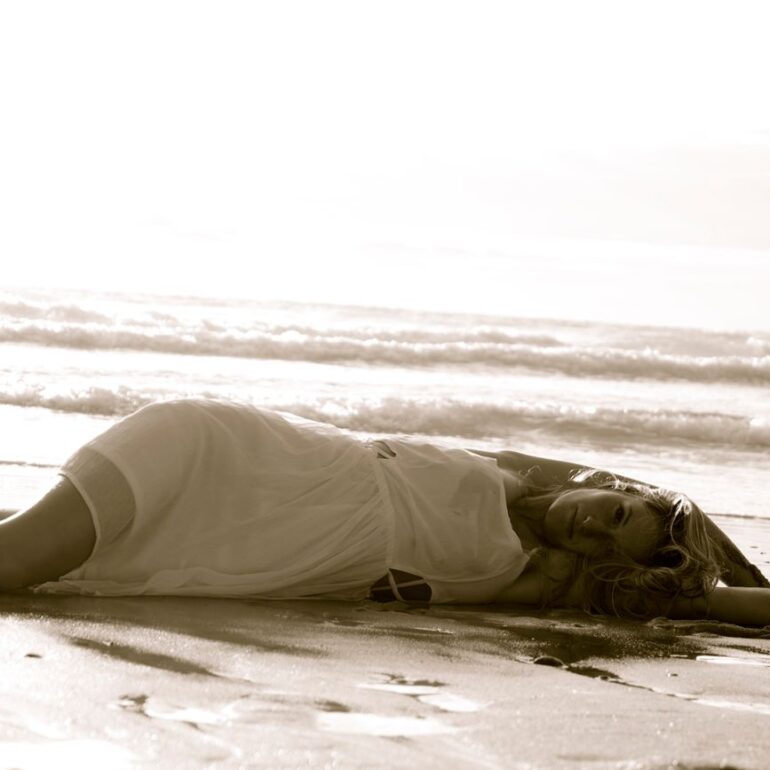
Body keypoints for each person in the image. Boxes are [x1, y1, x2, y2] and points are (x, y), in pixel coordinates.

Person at [1, 398, 768, 625]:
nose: (592, 524)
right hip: (215, 445)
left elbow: (716, 601)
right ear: (611, 485)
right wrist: (690, 521)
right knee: (15, 559)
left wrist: (713, 577)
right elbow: (629, 495)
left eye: (608, 540)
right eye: (613, 510)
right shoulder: (509, 471)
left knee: (16, 559)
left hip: (250, 534)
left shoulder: (541, 575)